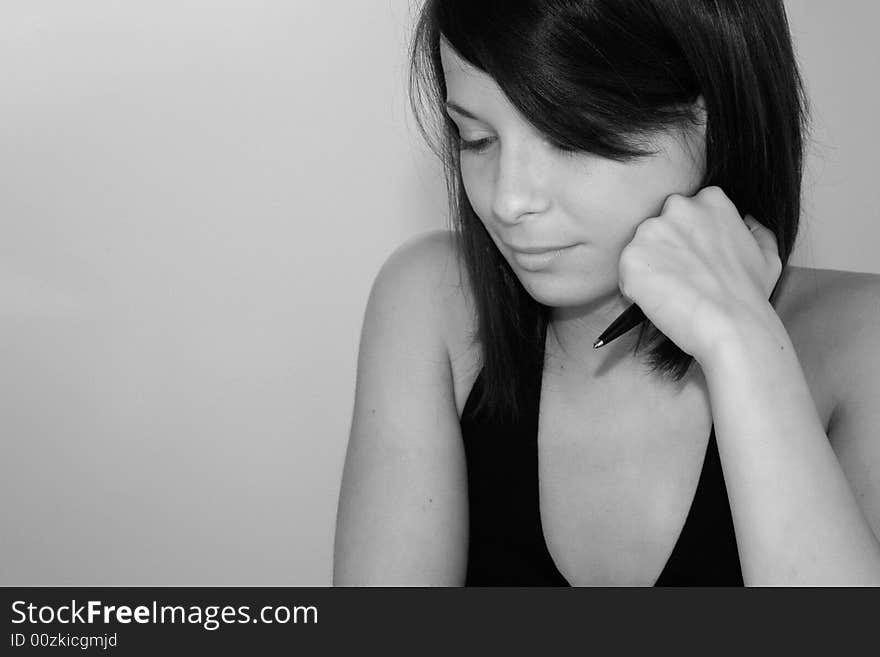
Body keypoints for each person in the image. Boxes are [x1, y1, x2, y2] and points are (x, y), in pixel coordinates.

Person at [333, 0, 880, 586]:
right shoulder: (433, 303)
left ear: (717, 114)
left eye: (569, 136)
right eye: (479, 139)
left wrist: (740, 341)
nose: (508, 200)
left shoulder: (859, 344)